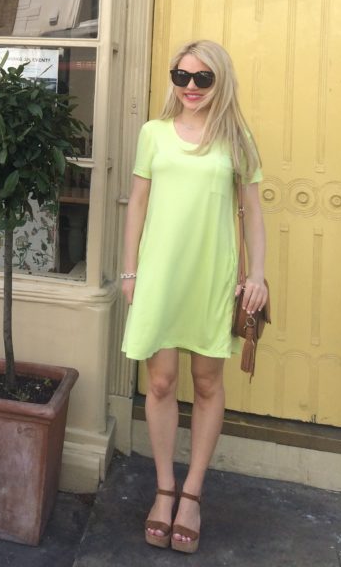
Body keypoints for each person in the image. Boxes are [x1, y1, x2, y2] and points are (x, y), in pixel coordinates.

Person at [120, 39, 268, 554]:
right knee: (159, 382)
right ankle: (164, 489)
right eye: (180, 76)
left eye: (201, 78)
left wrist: (260, 275)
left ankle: (193, 495)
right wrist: (130, 271)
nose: (189, 87)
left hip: (212, 276)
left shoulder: (238, 137)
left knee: (207, 383)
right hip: (161, 275)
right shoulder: (153, 133)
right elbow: (137, 203)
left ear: (220, 81)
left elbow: (252, 212)